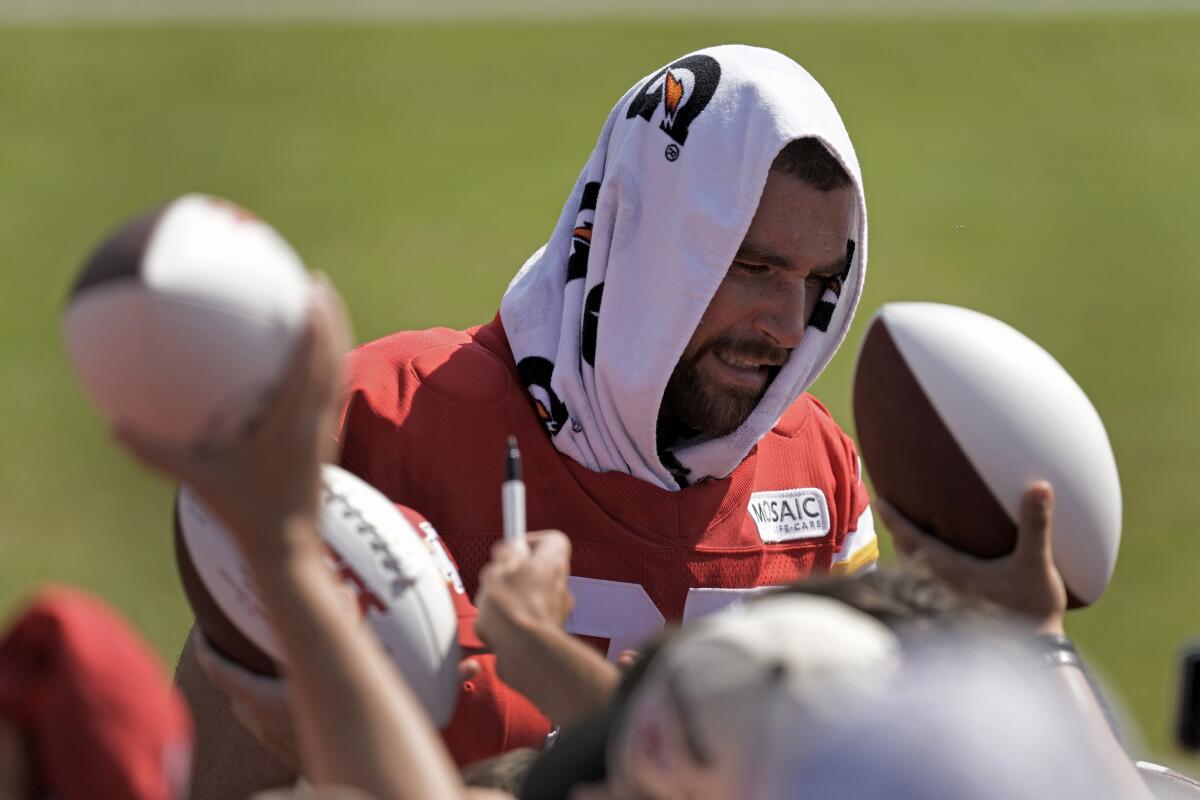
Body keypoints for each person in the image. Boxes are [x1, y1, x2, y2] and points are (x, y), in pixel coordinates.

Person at [178, 43, 880, 795]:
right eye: (753, 266)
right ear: (636, 235)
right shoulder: (383, 419)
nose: (788, 323)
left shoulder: (819, 469)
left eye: (821, 281)